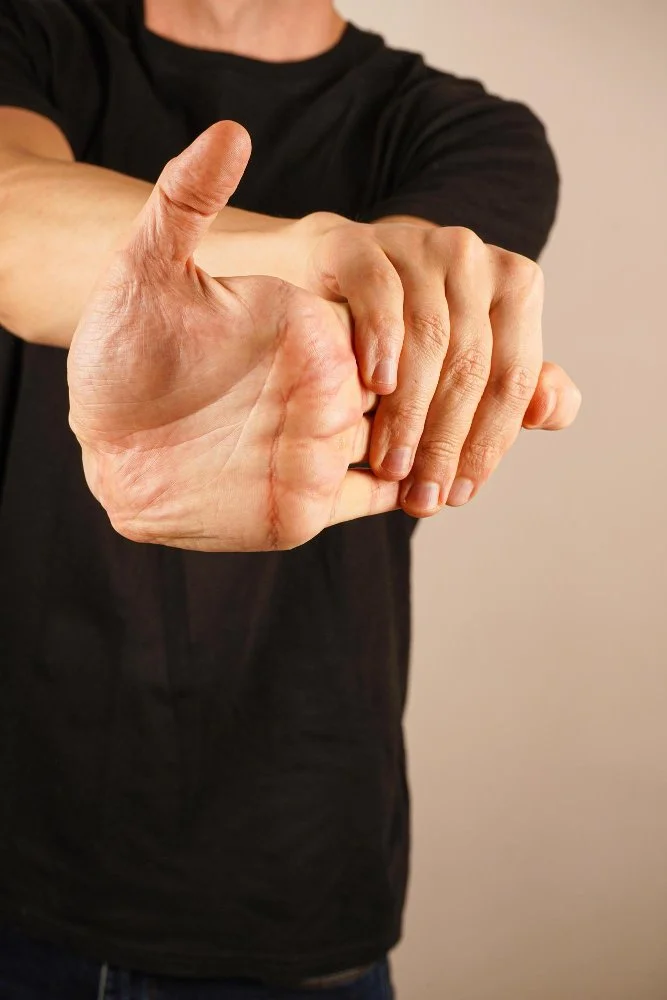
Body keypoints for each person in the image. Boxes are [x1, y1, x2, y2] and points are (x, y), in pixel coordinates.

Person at [0, 1, 581, 997]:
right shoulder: (33, 38)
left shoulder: (463, 129)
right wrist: (302, 257)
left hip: (284, 872)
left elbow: (401, 308)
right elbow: (11, 213)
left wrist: (312, 287)